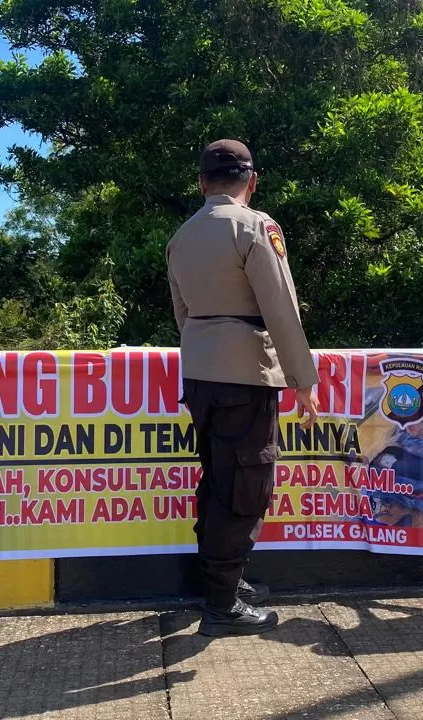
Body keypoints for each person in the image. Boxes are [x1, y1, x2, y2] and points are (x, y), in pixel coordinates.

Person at [166, 138, 321, 636]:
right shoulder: (255, 226)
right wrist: (303, 379)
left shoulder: (182, 236)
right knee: (246, 486)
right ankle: (222, 607)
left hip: (200, 375)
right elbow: (281, 308)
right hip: (246, 374)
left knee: (217, 480)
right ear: (251, 182)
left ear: (202, 183)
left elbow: (182, 314)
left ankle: (225, 584)